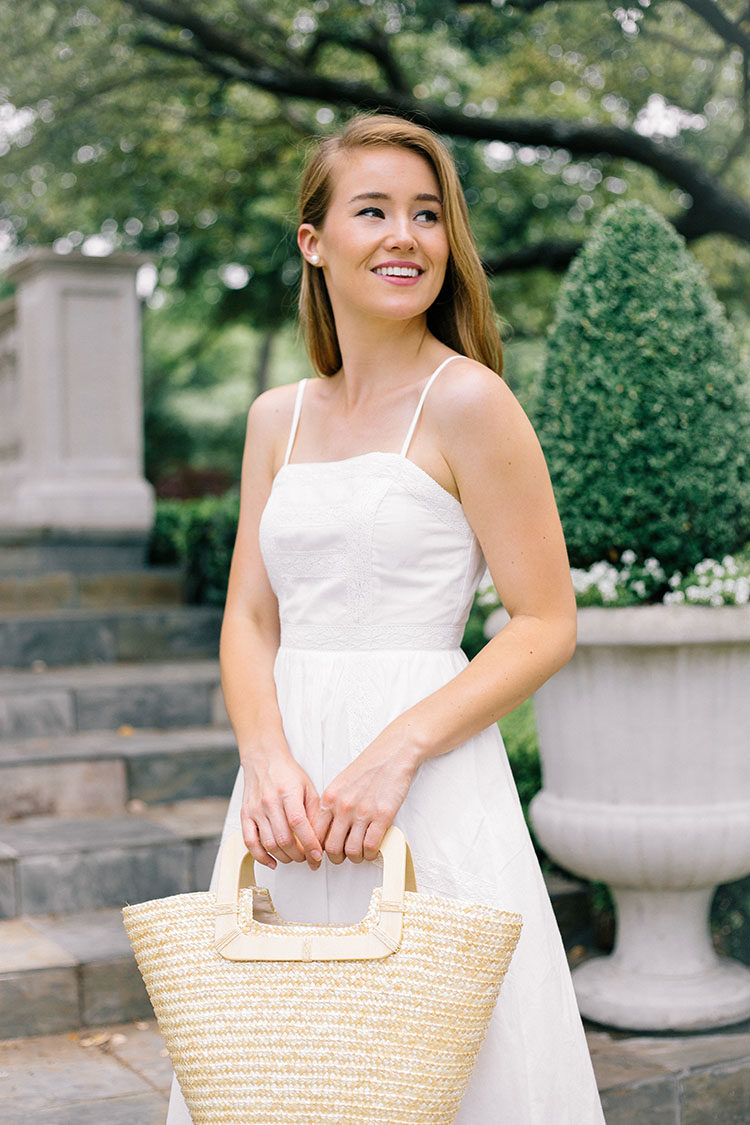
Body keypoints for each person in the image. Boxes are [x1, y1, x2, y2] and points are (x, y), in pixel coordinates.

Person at [166, 113, 605, 1123]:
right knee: (275, 1064)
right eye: (374, 211)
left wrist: (396, 752)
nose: (407, 235)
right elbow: (248, 616)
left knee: (443, 1061)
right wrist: (266, 758)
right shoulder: (276, 416)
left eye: (427, 213)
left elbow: (545, 621)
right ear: (314, 241)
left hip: (429, 770)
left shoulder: (470, 402)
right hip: (284, 793)